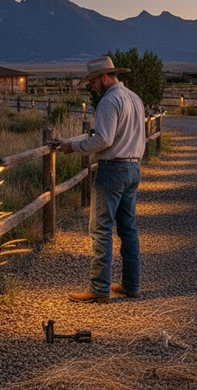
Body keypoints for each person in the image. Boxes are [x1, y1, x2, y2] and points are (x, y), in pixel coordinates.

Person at [56, 56, 146, 302]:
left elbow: (104, 139)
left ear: (104, 77)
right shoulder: (134, 98)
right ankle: (131, 285)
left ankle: (99, 288)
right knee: (128, 229)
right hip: (133, 167)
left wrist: (73, 146)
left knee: (101, 228)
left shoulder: (109, 101)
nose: (91, 86)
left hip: (113, 169)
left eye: (93, 81)